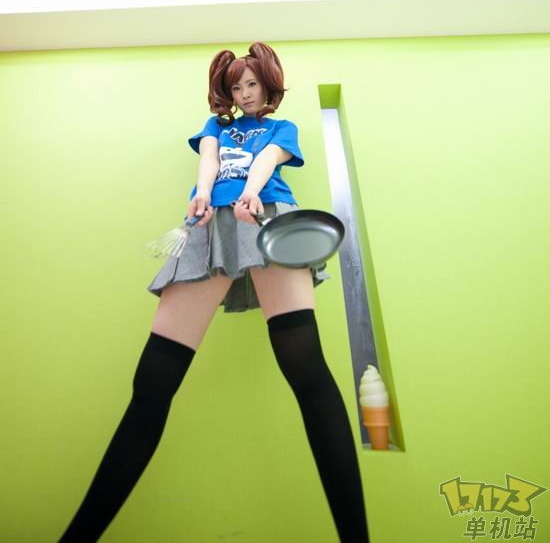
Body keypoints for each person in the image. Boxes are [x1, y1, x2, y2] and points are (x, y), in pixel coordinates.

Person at [57, 41, 369, 543]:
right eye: (236, 86)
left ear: (268, 86)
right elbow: (207, 160)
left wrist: (250, 190)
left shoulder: (281, 128)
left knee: (307, 370)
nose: (244, 93)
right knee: (152, 384)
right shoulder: (215, 127)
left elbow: (268, 158)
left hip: (266, 219)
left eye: (252, 84)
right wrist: (202, 194)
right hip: (208, 227)